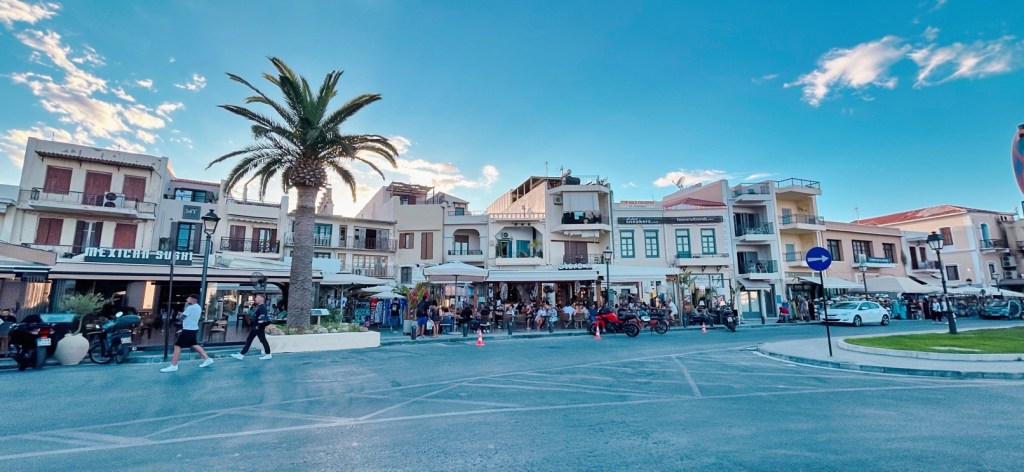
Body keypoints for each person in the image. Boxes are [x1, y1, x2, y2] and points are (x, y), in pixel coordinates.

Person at [161, 294, 214, 372]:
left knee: (177, 346)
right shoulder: (198, 307)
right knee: (194, 344)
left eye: (188, 298)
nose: (187, 299)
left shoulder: (191, 308)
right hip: (193, 328)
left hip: (188, 329)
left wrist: (184, 308)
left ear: (193, 299)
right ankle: (207, 359)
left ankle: (174, 365)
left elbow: (181, 318)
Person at [231, 294, 272, 361]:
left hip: (258, 328)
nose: (256, 298)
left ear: (262, 299)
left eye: (257, 297)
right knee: (250, 339)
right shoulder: (259, 307)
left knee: (262, 340)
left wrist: (257, 326)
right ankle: (241, 354)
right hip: (255, 327)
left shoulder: (262, 307)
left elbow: (262, 317)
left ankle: (268, 354)